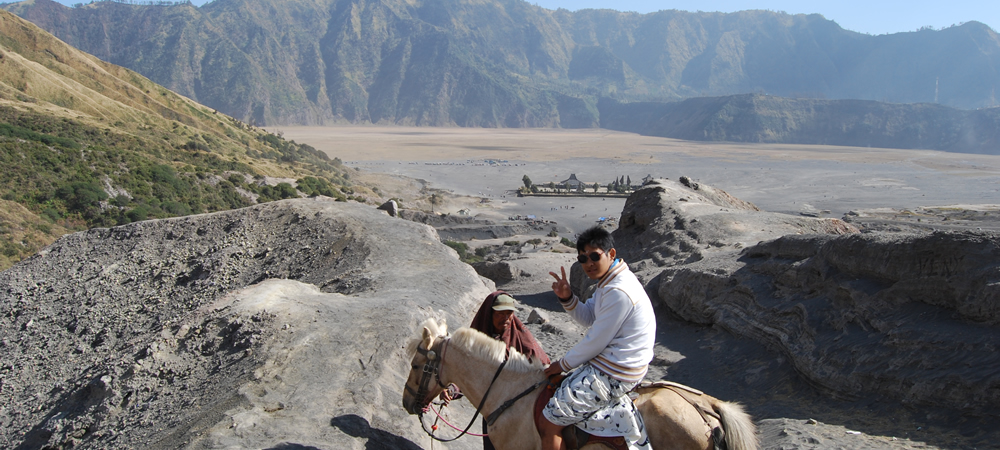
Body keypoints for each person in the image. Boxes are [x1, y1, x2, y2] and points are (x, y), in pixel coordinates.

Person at [540, 226, 655, 450]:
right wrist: (567, 298)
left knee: (549, 421)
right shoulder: (608, 284)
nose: (589, 263)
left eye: (595, 256)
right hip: (613, 361)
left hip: (616, 370)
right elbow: (589, 317)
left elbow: (595, 341)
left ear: (611, 254)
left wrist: (561, 365)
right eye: (583, 258)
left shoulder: (618, 291)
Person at [443, 291, 550, 450]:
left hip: (522, 413)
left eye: (509, 313)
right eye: (500, 313)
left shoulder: (521, 338)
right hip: (493, 412)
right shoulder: (477, 344)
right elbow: (469, 375)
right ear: (489, 314)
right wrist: (452, 389)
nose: (506, 318)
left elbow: (543, 368)